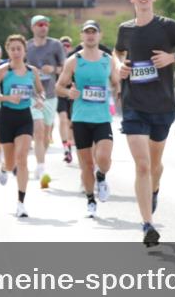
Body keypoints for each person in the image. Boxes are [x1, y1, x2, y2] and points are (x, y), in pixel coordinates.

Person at [114, 0, 175, 246]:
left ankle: (154, 189)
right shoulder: (125, 29)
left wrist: (171, 58)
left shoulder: (168, 27)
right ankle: (147, 224)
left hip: (162, 105)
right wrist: (119, 66)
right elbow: (117, 53)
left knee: (154, 165)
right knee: (142, 165)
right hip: (134, 105)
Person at [57, 21, 121, 218]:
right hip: (81, 118)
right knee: (86, 164)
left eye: (94, 32)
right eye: (87, 33)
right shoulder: (73, 61)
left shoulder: (108, 60)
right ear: (81, 36)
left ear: (100, 36)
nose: (90, 36)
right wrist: (70, 92)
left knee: (103, 158)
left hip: (102, 118)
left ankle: (101, 177)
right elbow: (59, 87)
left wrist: (117, 92)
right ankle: (90, 200)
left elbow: (117, 83)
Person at [0, 34, 46, 218]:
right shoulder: (4, 71)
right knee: (11, 162)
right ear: (8, 51)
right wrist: (7, 97)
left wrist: (40, 100)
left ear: (24, 50)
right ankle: (4, 168)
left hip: (24, 118)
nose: (16, 52)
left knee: (22, 159)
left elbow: (40, 91)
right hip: (6, 117)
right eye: (12, 49)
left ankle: (21, 203)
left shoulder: (32, 71)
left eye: (19, 48)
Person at [26, 15, 66, 187]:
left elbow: (66, 68)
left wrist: (54, 69)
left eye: (46, 25)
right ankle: (41, 167)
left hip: (50, 95)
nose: (44, 27)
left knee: (47, 135)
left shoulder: (55, 45)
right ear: (33, 27)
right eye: (40, 24)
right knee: (39, 130)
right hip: (33, 95)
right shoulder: (26, 46)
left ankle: (40, 162)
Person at [56, 36, 75, 164]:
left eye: (67, 45)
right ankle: (66, 148)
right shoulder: (56, 59)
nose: (65, 47)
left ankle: (69, 145)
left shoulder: (75, 59)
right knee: (63, 119)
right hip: (60, 94)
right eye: (63, 45)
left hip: (73, 94)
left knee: (70, 122)